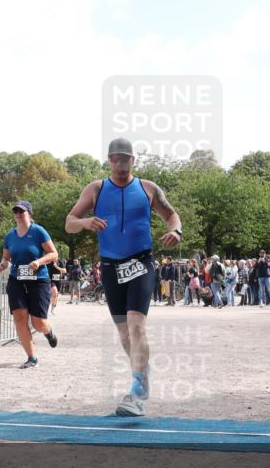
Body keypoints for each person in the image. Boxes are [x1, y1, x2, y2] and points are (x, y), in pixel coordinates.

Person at [65, 137, 182, 416]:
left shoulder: (148, 188)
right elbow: (69, 223)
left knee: (136, 325)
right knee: (124, 332)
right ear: (109, 160)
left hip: (140, 263)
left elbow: (172, 215)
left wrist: (176, 231)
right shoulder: (95, 189)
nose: (120, 163)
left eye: (125, 158)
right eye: (115, 158)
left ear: (133, 160)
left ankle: (137, 390)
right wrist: (85, 222)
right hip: (110, 267)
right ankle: (142, 371)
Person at [0, 200, 59, 368]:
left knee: (38, 323)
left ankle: (49, 332)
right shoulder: (10, 236)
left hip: (38, 280)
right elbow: (6, 257)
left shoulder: (38, 231)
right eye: (15, 211)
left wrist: (39, 262)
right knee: (19, 318)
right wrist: (3, 264)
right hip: (16, 280)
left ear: (29, 213)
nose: (18, 213)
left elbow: (53, 254)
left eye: (21, 211)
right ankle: (32, 358)